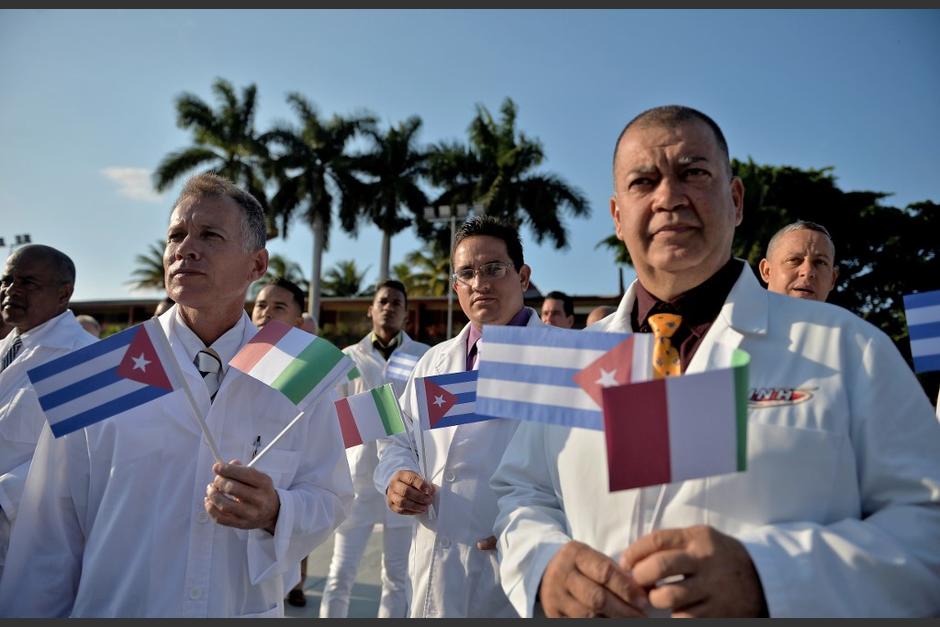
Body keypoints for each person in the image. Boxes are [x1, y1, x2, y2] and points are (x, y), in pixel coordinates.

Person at [491, 105, 940, 618]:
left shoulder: (850, 349)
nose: (668, 198)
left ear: (736, 198)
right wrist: (543, 564)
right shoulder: (570, 360)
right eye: (644, 181)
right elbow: (521, 492)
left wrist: (770, 578)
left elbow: (928, 528)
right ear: (618, 216)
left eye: (693, 173)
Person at [0, 174, 353, 617]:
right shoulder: (99, 371)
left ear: (256, 265)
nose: (185, 248)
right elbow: (48, 536)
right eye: (176, 235)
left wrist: (277, 510)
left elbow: (332, 495)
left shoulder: (298, 371)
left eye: (210, 235)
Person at [374, 216, 541, 617]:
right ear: (455, 287)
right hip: (434, 564)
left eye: (493, 269)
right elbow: (398, 436)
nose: (479, 282)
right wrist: (396, 477)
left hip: (519, 571)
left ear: (522, 276)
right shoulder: (435, 360)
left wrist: (544, 531)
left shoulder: (561, 362)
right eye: (466, 273)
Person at [320, 279, 430, 618]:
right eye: (383, 301)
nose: (389, 307)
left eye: (397, 303)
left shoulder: (423, 357)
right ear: (371, 309)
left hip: (404, 478)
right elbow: (331, 416)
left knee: (397, 577)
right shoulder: (347, 358)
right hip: (358, 481)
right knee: (340, 572)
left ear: (406, 314)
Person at [0, 245, 96, 573]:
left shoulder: (86, 359)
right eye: (7, 280)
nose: (11, 290)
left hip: (25, 540)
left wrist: (3, 497)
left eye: (27, 282)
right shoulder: (6, 348)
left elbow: (80, 458)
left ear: (63, 293)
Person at [250, 276, 311, 608]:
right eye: (260, 305)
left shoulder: (311, 379)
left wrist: (276, 509)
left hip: (273, 527)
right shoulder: (225, 363)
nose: (266, 314)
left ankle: (298, 584)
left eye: (278, 307)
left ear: (297, 321)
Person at [758, 220, 838, 302]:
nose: (808, 272)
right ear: (767, 271)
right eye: (794, 260)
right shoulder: (744, 313)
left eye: (820, 262)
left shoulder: (845, 315)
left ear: (832, 279)